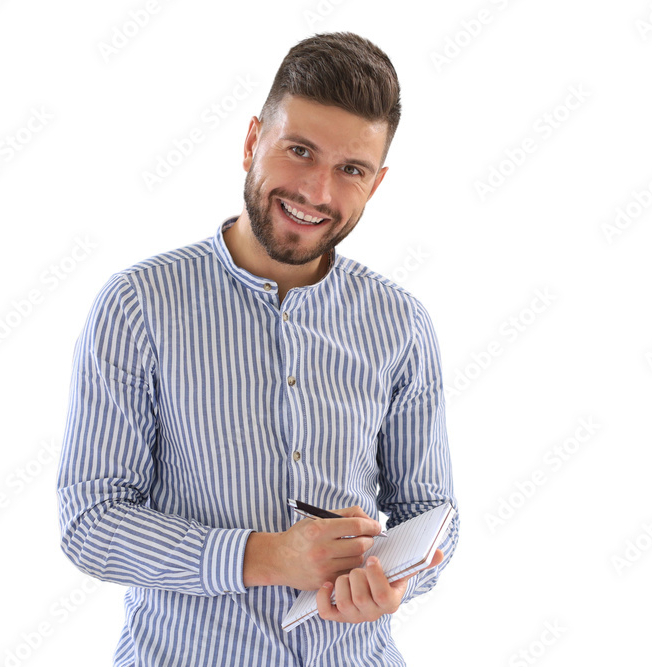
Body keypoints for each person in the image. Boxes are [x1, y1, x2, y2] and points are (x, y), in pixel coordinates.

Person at [56, 31, 459, 666]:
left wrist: (395, 583)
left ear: (376, 184)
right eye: (299, 151)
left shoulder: (400, 323)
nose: (317, 193)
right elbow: (92, 523)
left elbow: (433, 512)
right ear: (252, 141)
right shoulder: (138, 305)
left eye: (350, 169)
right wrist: (270, 557)